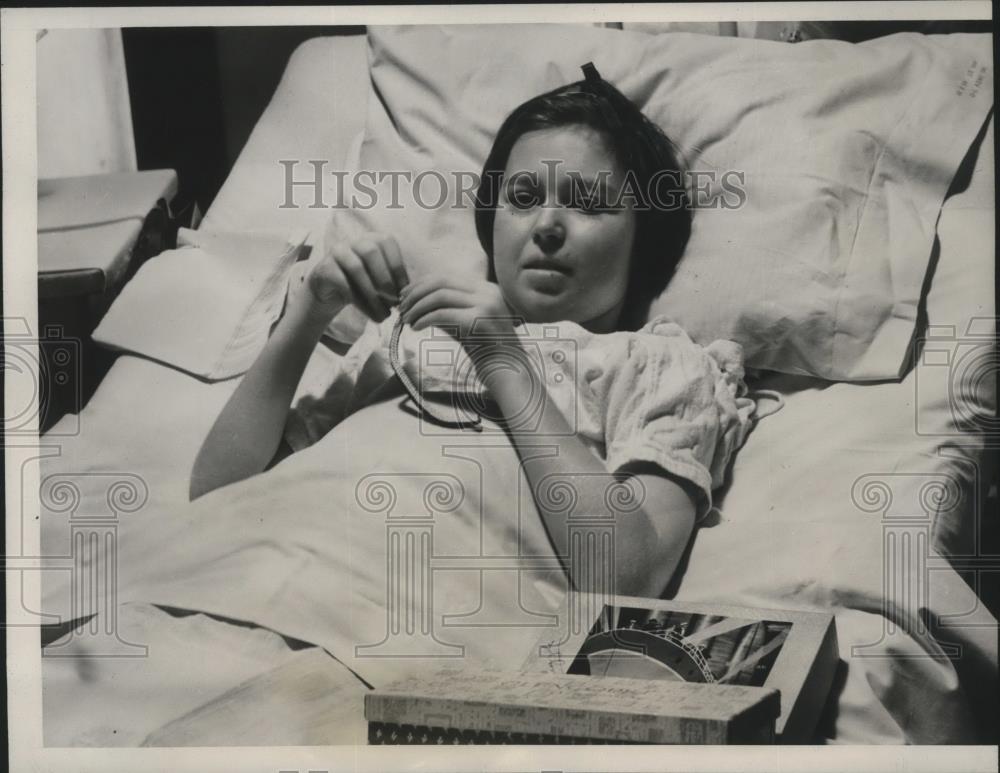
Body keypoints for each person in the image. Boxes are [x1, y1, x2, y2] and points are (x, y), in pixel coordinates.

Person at [190, 66, 755, 600]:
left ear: (644, 238)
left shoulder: (661, 365)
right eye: (525, 199)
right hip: (260, 575)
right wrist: (307, 315)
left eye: (587, 203)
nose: (548, 227)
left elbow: (623, 576)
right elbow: (216, 497)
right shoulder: (414, 341)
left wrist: (503, 360)